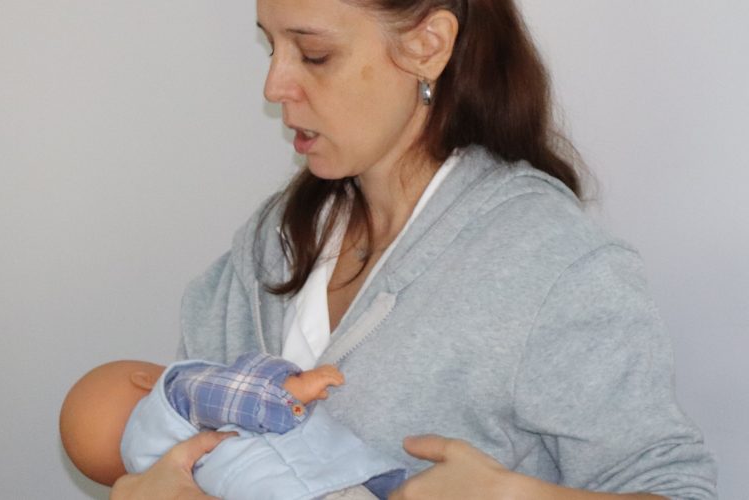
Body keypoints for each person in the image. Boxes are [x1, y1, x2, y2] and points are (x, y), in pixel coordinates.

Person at [113, 0, 718, 499]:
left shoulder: (551, 263)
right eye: (271, 46)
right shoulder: (276, 239)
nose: (274, 85)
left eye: (314, 53)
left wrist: (520, 497)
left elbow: (675, 486)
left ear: (428, 46)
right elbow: (178, 423)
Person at [60, 353, 406, 499]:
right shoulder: (172, 395)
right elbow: (230, 393)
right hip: (307, 488)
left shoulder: (158, 476)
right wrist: (289, 390)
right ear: (143, 380)